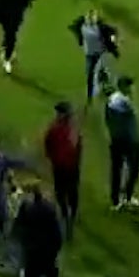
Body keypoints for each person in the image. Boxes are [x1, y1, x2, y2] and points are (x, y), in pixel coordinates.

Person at [11, 183, 65, 277]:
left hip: (32, 254)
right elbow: (57, 235)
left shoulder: (26, 208)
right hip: (47, 253)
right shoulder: (49, 210)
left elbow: (17, 227)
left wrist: (23, 243)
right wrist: (55, 251)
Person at [42, 101, 82, 239]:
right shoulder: (69, 130)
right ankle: (69, 216)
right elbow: (78, 147)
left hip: (64, 166)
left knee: (64, 192)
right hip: (67, 166)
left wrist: (52, 157)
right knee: (68, 192)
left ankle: (68, 216)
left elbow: (48, 145)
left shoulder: (58, 129)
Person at [104, 75, 139, 210]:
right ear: (125, 87)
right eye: (131, 86)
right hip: (129, 141)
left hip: (115, 140)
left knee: (116, 169)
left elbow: (108, 120)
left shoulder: (111, 100)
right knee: (134, 169)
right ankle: (128, 197)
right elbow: (132, 117)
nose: (133, 89)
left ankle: (115, 201)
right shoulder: (125, 102)